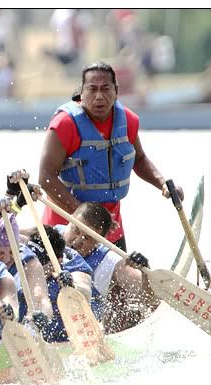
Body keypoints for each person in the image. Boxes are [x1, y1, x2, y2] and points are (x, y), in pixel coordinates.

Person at [37, 61, 184, 251]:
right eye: (92, 89)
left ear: (116, 91)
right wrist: (85, 218)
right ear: (82, 93)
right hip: (66, 228)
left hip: (111, 228)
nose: (99, 97)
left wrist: (163, 184)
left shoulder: (127, 121)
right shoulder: (65, 124)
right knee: (73, 279)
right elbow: (45, 177)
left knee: (122, 279)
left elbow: (139, 159)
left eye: (106, 89)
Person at [60, 202, 157, 331]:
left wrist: (145, 271)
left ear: (100, 241)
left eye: (87, 238)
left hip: (82, 331)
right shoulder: (47, 234)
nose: (77, 242)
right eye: (75, 230)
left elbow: (150, 298)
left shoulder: (110, 262)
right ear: (69, 219)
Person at [22, 225, 95, 343]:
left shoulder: (72, 264)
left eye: (39, 262)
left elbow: (85, 290)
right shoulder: (21, 257)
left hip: (67, 340)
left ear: (57, 261)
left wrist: (72, 285)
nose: (32, 266)